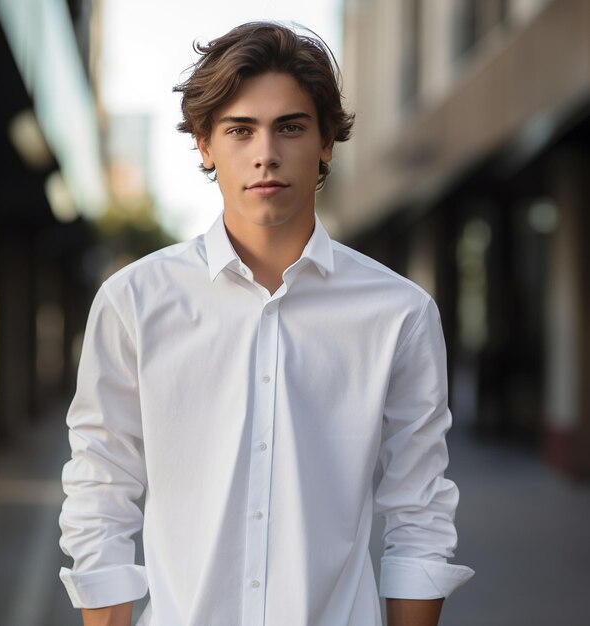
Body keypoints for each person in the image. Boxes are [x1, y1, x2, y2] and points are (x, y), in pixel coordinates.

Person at [59, 21, 474, 626]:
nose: (266, 154)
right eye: (239, 130)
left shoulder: (400, 315)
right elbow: (100, 489)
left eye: (291, 127)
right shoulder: (134, 302)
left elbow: (420, 512)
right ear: (204, 145)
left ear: (327, 141)